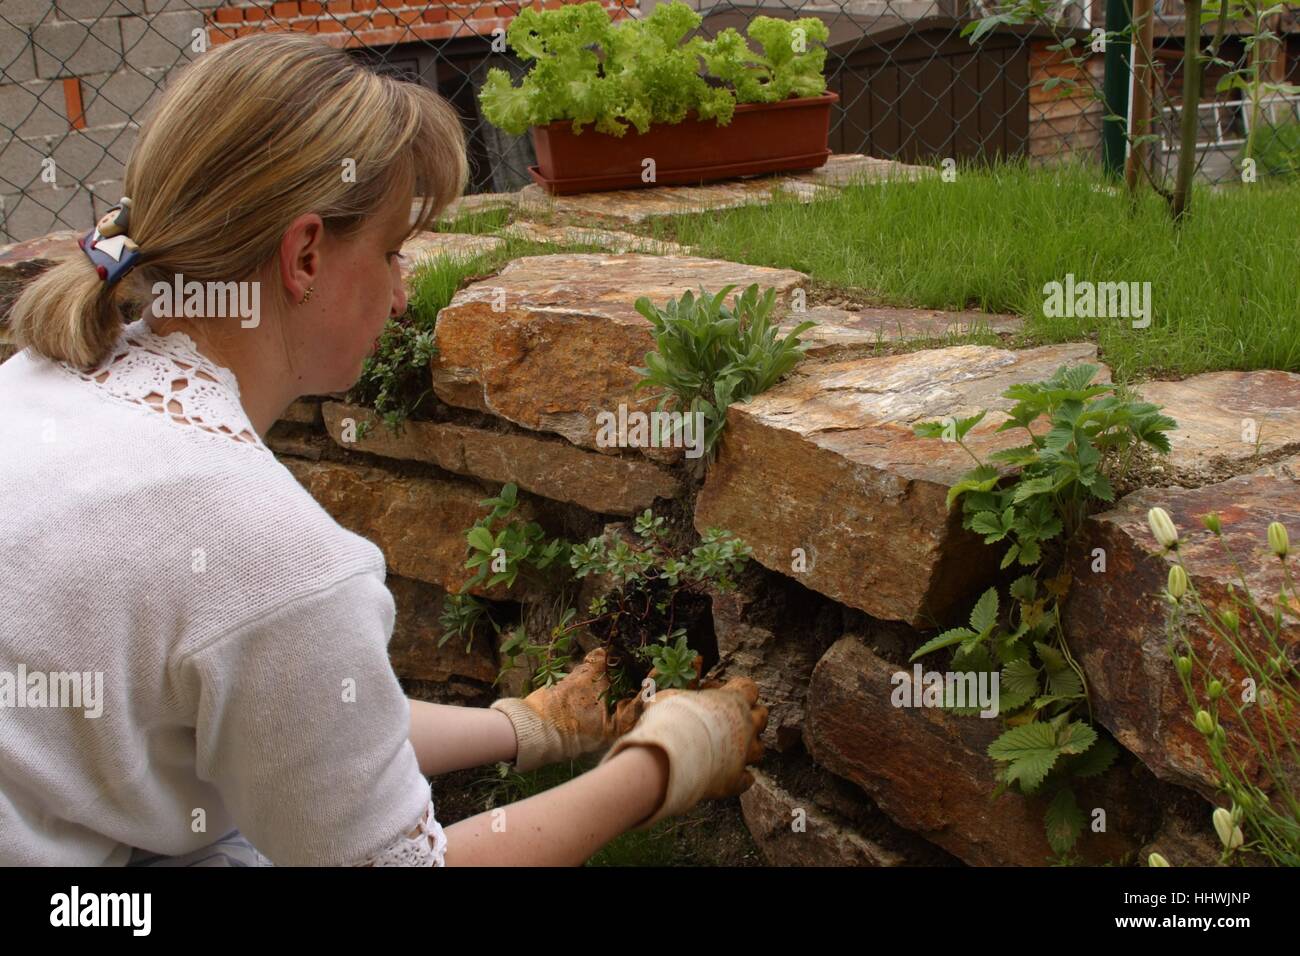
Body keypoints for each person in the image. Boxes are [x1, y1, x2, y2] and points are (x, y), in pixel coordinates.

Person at [0, 31, 765, 867]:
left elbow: (285, 705)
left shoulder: (43, 380)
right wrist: (666, 761)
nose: (404, 293)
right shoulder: (267, 549)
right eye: (393, 252)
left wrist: (527, 730)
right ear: (304, 255)